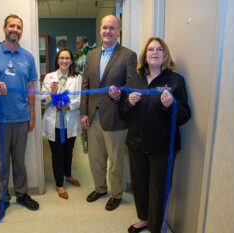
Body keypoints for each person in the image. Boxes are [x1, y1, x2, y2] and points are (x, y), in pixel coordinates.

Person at [118, 37, 191, 233]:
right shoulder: (134, 79)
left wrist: (171, 106)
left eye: (159, 49)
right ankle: (143, 219)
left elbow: (184, 115)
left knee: (158, 190)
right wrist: (129, 103)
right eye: (151, 49)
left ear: (165, 55)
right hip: (136, 145)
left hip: (163, 147)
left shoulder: (175, 81)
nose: (155, 52)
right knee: (140, 186)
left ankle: (155, 227)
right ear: (145, 55)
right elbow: (123, 114)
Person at [0, 14, 39, 221]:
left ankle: (21, 194)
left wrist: (32, 115)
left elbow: (31, 88)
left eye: (19, 27)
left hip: (21, 118)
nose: (15, 29)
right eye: (12, 26)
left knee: (19, 161)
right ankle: (2, 198)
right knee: (3, 162)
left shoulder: (27, 57)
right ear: (4, 28)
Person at [80, 15, 137, 211]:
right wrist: (83, 112)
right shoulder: (92, 55)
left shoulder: (128, 55)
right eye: (105, 27)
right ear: (100, 30)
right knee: (95, 157)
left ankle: (116, 193)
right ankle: (100, 188)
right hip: (93, 115)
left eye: (112, 28)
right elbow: (85, 84)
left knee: (115, 160)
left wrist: (120, 93)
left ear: (118, 31)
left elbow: (132, 85)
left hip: (116, 116)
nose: (108, 31)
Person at [41, 48, 82, 199]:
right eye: (61, 58)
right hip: (55, 122)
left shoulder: (77, 78)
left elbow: (79, 98)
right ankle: (59, 184)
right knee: (57, 153)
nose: (64, 61)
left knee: (69, 151)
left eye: (67, 58)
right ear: (57, 60)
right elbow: (42, 99)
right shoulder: (49, 77)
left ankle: (68, 175)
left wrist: (67, 106)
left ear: (71, 60)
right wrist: (51, 95)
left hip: (70, 120)